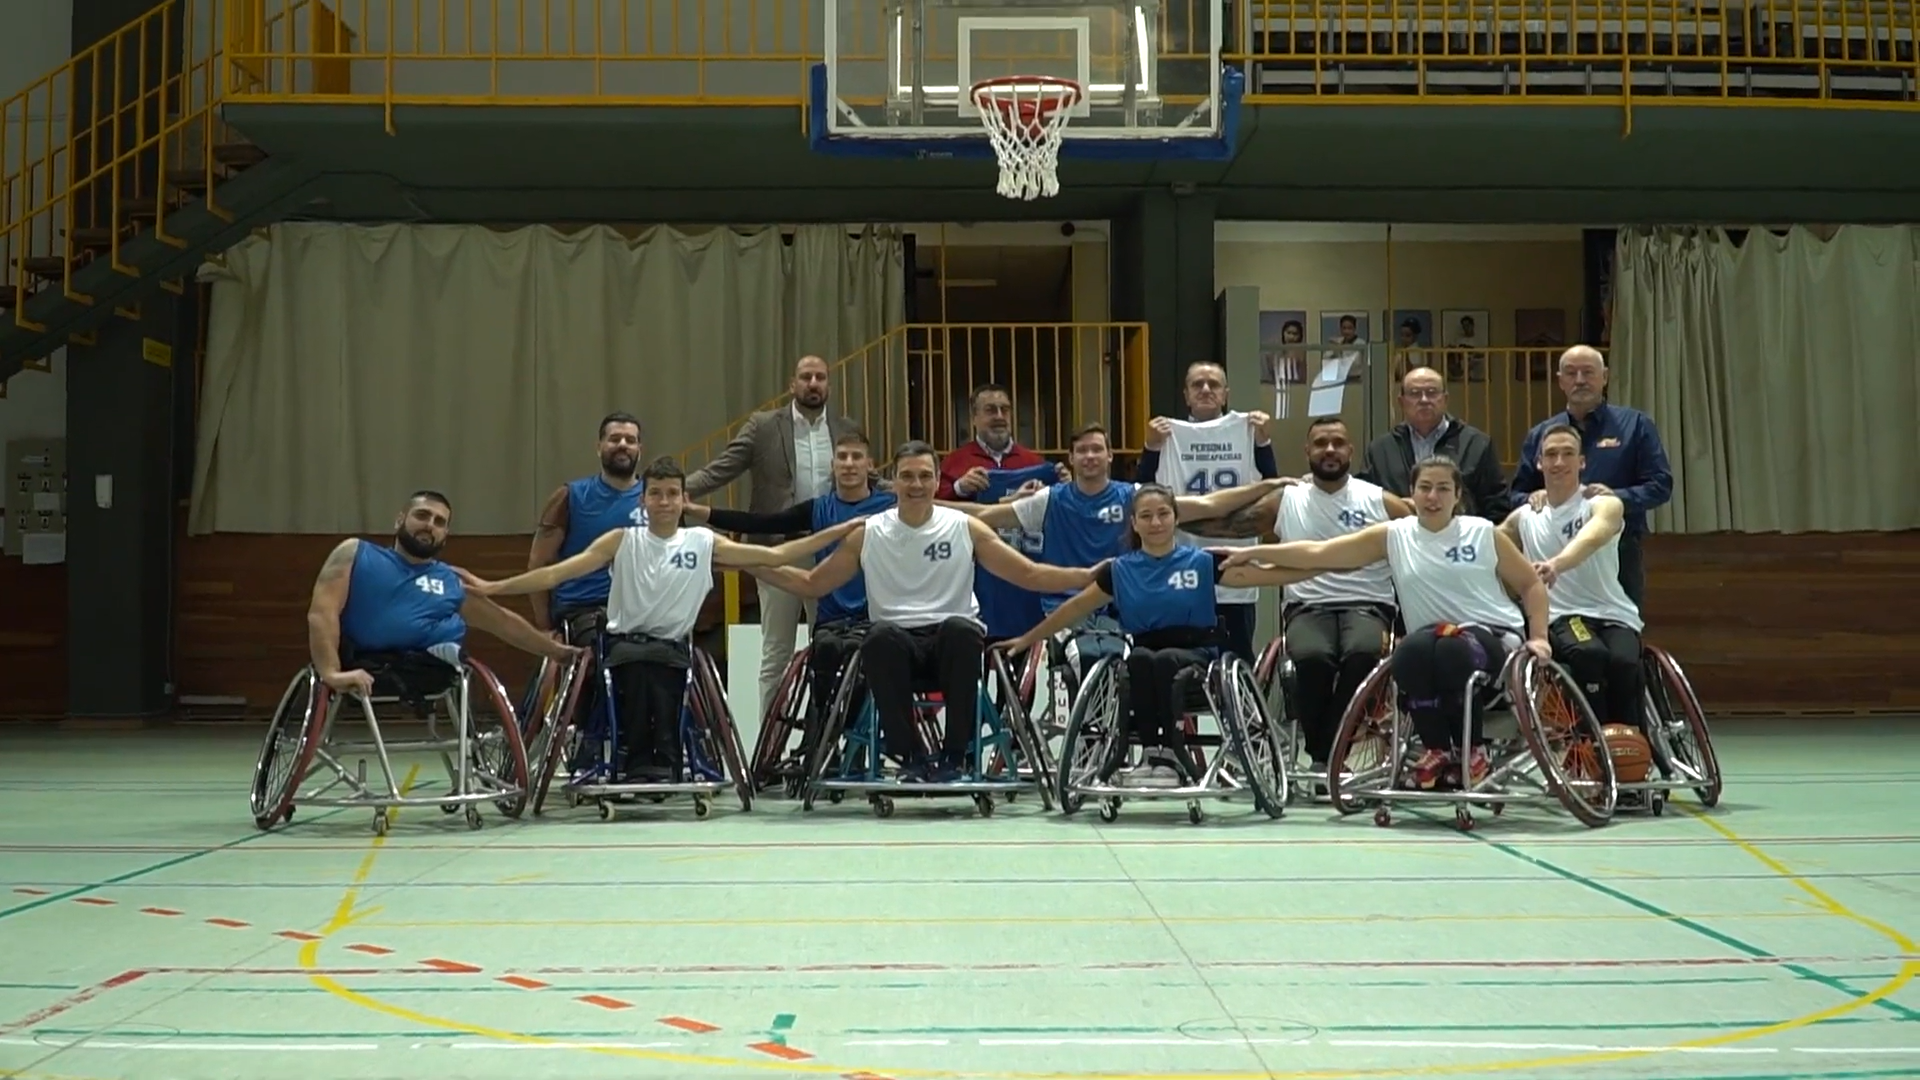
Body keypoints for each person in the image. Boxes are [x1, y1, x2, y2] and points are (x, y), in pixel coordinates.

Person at [461, 458, 862, 781]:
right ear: (643, 501)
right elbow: (556, 573)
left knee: (665, 668)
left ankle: (665, 760)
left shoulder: (703, 541)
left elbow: (775, 557)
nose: (665, 501)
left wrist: (838, 530)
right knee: (633, 667)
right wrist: (493, 588)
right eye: (656, 494)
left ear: (683, 500)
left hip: (675, 645)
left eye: (672, 494)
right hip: (622, 642)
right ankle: (637, 761)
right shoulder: (621, 540)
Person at [751, 441, 1095, 783]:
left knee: (962, 631)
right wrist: (751, 565)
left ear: (936, 481)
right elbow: (813, 583)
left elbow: (1029, 574)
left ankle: (955, 755)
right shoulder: (869, 532)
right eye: (907, 476)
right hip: (896, 645)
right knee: (878, 636)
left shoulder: (964, 526)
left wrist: (1090, 576)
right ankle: (910, 755)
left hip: (951, 642)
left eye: (924, 476)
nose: (916, 485)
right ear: (893, 481)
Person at [1221, 456, 1552, 790]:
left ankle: (1472, 749)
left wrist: (1539, 637)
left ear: (1457, 495)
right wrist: (1258, 554)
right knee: (1407, 653)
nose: (1433, 497)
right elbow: (1320, 554)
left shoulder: (1482, 533)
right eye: (1425, 488)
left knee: (1451, 651)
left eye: (1442, 489)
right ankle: (1437, 748)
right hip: (1432, 641)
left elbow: (1531, 584)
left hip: (1492, 637)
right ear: (1412, 493)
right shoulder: (1395, 535)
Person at [997, 485, 1311, 787]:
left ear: (1176, 518)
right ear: (1133, 523)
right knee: (1139, 659)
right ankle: (1152, 755)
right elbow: (1073, 609)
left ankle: (1172, 754)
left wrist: (1321, 567)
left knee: (1163, 661)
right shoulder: (1120, 570)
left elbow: (1269, 574)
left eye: (1163, 514)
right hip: (1145, 652)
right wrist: (1026, 640)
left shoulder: (1203, 562)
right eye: (1146, 516)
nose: (1156, 522)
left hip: (1197, 654)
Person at [684, 356, 871, 723]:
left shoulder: (846, 428)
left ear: (828, 385)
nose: (813, 383)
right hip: (778, 550)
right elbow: (722, 468)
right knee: (776, 651)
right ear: (792, 384)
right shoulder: (764, 426)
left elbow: (867, 481)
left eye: (820, 377)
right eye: (806, 377)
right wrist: (673, 491)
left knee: (832, 647)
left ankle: (825, 737)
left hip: (833, 553)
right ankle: (770, 742)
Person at [683, 429, 895, 752]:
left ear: (870, 464)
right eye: (842, 457)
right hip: (832, 617)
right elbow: (762, 523)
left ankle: (853, 743)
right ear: (832, 465)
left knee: (865, 664)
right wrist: (703, 513)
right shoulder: (818, 509)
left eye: (856, 457)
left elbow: (946, 510)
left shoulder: (891, 506)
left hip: (876, 615)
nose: (849, 464)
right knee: (823, 659)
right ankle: (818, 743)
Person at [308, 490, 576, 700]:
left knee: (457, 649)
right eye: (422, 516)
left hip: (426, 669)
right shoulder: (355, 553)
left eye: (439, 522)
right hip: (363, 661)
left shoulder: (450, 579)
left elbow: (501, 621)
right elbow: (322, 614)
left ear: (446, 534)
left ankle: (447, 651)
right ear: (400, 519)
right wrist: (330, 672)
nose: (430, 526)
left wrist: (556, 652)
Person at [1271, 418, 1412, 775]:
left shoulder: (1381, 500)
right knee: (1313, 658)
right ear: (1307, 451)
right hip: (1307, 607)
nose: (1329, 449)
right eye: (1320, 443)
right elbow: (1230, 521)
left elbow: (1427, 531)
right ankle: (1330, 757)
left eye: (1338, 442)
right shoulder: (1287, 499)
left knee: (1362, 655)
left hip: (1368, 606)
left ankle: (1323, 756)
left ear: (1351, 451)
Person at [1499, 423, 1646, 738]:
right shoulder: (1525, 516)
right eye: (1551, 455)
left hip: (1613, 613)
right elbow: (1489, 544)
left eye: (1568, 454)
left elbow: (1593, 537)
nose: (1559, 462)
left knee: (1623, 662)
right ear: (1539, 463)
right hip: (1565, 616)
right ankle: (1595, 744)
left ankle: (1633, 746)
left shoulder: (1603, 504)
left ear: (1582, 462)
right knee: (1590, 654)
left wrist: (1557, 564)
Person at [1133, 361, 1279, 661]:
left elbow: (1272, 488)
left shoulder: (1248, 431)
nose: (1205, 390)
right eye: (1197, 384)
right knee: (1181, 658)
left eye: (1213, 384)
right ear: (1185, 394)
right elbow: (1141, 493)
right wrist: (1150, 448)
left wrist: (1264, 441)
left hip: (1234, 563)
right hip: (1181, 566)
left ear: (1226, 394)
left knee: (1235, 659)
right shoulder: (1166, 435)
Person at [1507, 345, 1673, 607]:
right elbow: (1515, 495)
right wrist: (1532, 498)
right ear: (1560, 381)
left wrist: (1614, 499)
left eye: (1588, 372)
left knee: (1622, 629)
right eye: (1571, 373)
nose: (1580, 380)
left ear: (1604, 377)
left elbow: (1660, 485)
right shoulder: (1541, 434)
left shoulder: (1636, 425)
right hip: (1551, 552)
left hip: (1618, 549)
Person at [936, 382, 1057, 645]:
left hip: (1025, 578)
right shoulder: (955, 463)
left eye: (1005, 409)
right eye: (991, 410)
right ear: (975, 417)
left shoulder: (1035, 463)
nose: (1000, 417)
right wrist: (958, 487)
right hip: (974, 580)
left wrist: (1063, 486)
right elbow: (930, 509)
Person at [525, 412, 647, 643]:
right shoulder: (569, 496)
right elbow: (538, 564)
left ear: (639, 449)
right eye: (614, 439)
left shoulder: (657, 501)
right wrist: (544, 628)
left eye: (630, 440)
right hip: (585, 611)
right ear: (599, 447)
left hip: (643, 610)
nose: (622, 445)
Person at [1358, 366, 1510, 520]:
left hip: (1459, 540)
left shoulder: (1476, 444)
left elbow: (1496, 505)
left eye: (1431, 393)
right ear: (1401, 402)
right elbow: (1365, 504)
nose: (1424, 400)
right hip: (1399, 539)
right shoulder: (1380, 450)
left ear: (1445, 399)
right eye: (1415, 393)